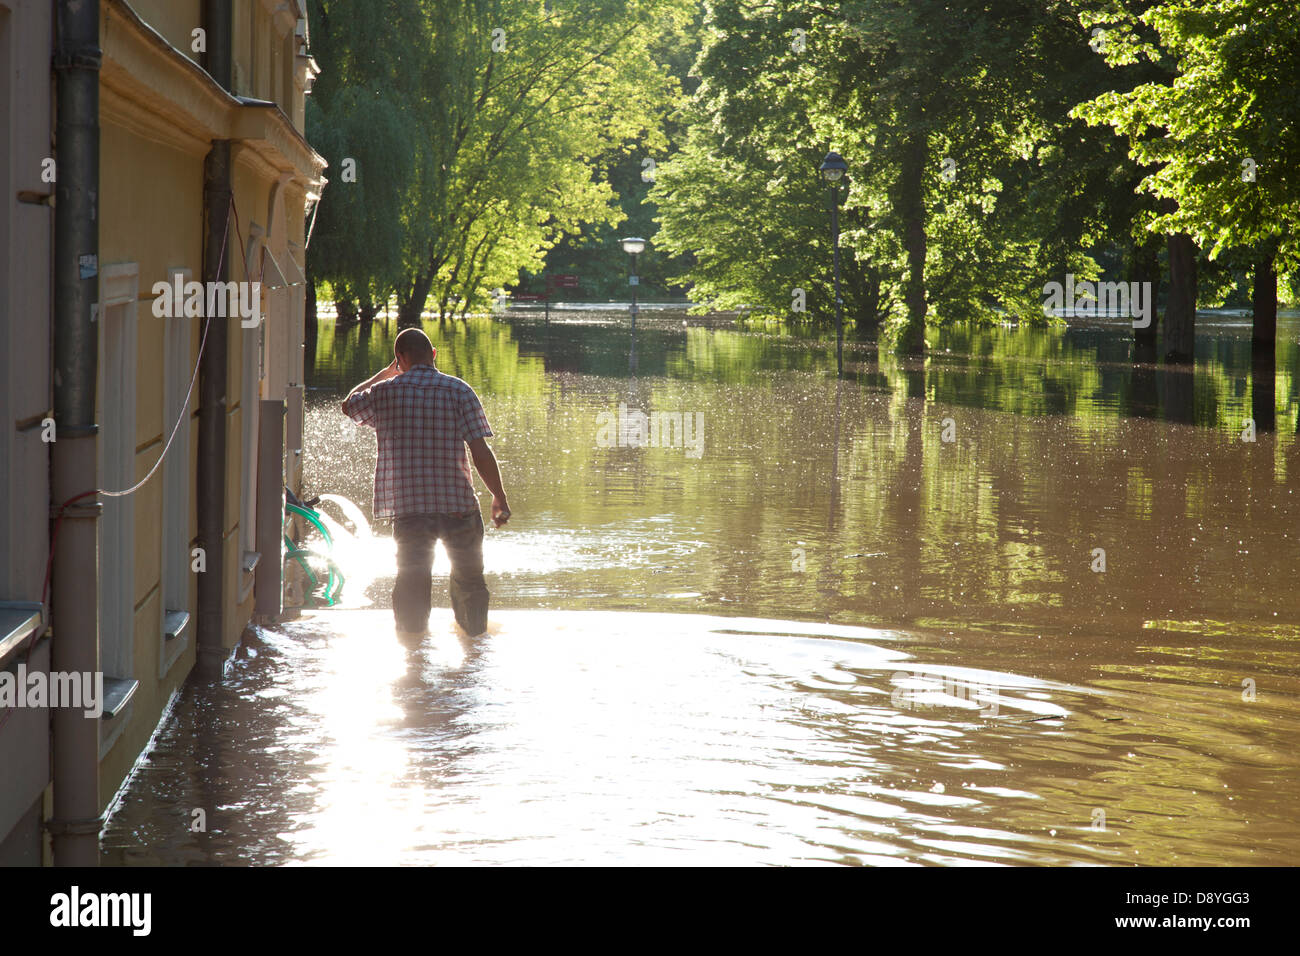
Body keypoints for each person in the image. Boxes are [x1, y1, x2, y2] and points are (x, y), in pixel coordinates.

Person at [341, 328, 510, 638]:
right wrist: (499, 496)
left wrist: (384, 374)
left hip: (410, 510)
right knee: (470, 581)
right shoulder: (459, 390)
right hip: (458, 506)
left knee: (412, 583)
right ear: (434, 354)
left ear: (400, 359)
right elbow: (480, 452)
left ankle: (413, 652)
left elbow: (349, 404)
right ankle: (475, 643)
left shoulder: (384, 392)